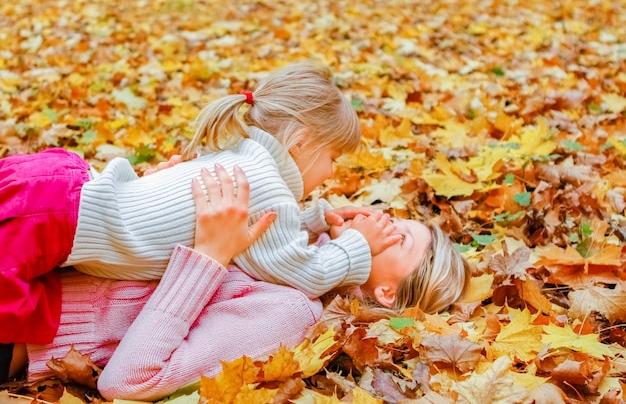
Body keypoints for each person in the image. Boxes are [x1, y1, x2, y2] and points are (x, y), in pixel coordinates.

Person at [0, 61, 399, 345]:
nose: (331, 173)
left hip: (58, 193)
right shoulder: (265, 186)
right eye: (333, 159)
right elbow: (303, 272)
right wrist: (355, 247)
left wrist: (312, 218)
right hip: (52, 224)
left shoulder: (242, 157)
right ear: (302, 143)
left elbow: (263, 230)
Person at [3, 166, 469, 402]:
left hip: (18, 324)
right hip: (27, 257)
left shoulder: (290, 310)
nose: (384, 219)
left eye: (400, 237)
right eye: (397, 218)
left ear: (386, 293)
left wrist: (210, 254)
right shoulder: (286, 240)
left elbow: (131, 380)